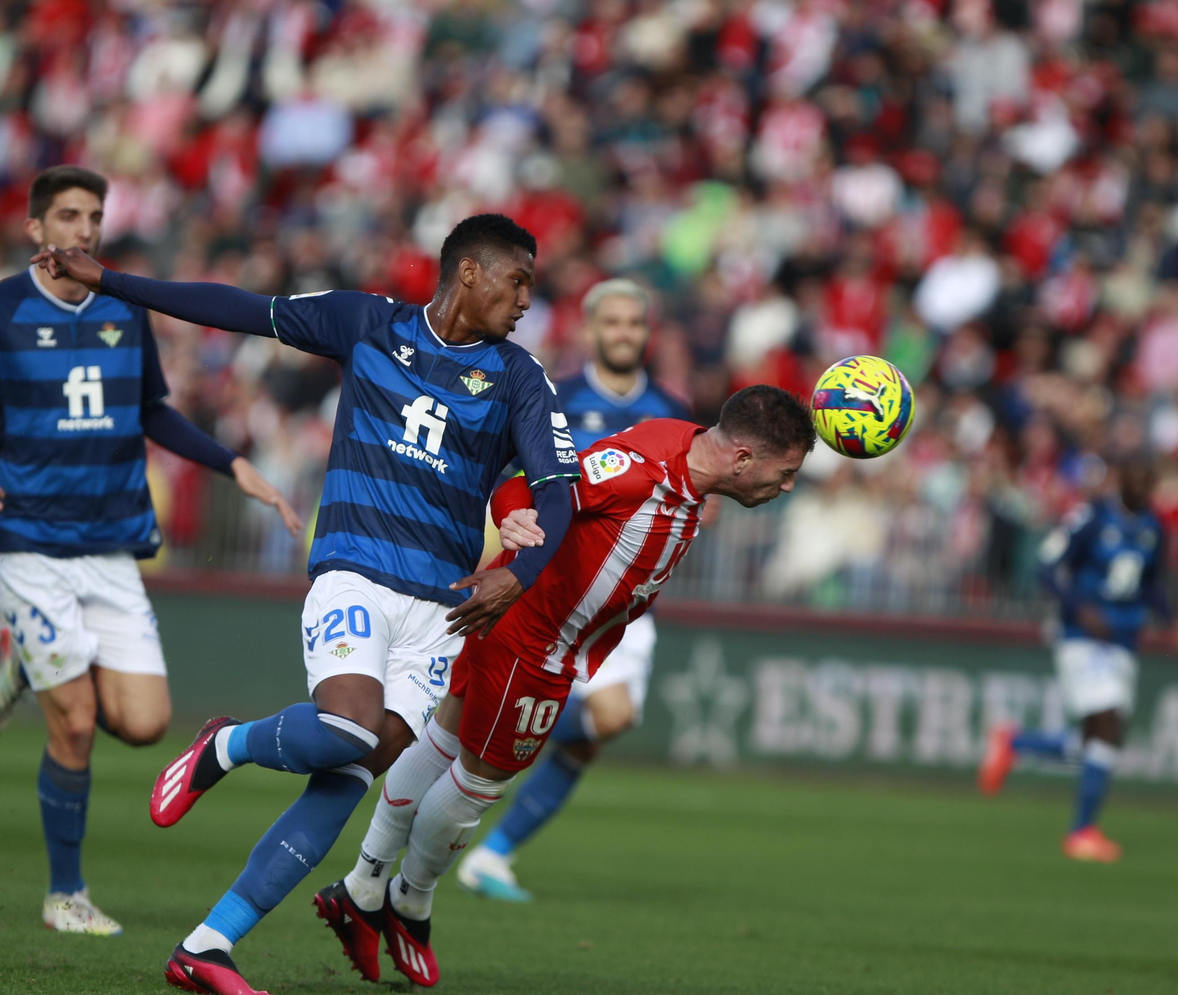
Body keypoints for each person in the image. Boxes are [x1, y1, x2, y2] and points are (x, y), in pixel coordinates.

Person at [35, 213, 580, 995]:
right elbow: (237, 308)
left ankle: (206, 948)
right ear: (469, 272)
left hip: (440, 613)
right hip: (355, 571)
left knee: (355, 768)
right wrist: (111, 279)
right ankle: (225, 746)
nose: (528, 299)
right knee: (348, 726)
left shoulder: (520, 377)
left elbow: (557, 499)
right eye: (517, 280)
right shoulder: (366, 323)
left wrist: (517, 572)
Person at [0, 166, 303, 935]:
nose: (84, 229)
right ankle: (66, 895)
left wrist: (233, 465)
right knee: (77, 723)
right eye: (70, 216)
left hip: (110, 543)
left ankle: (24, 657)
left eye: (94, 216)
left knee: (147, 721)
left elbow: (152, 410)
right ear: (36, 230)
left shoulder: (124, 306)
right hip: (26, 540)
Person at [319, 386, 815, 987]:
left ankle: (363, 886)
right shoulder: (641, 473)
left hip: (531, 632)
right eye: (785, 472)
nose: (786, 486)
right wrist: (512, 541)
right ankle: (408, 901)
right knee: (477, 784)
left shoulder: (676, 444)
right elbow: (534, 488)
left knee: (441, 744)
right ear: (742, 460)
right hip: (534, 645)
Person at [459, 277, 689, 902]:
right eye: (611, 323)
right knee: (600, 722)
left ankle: (493, 843)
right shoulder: (555, 397)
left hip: (619, 603)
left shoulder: (671, 413)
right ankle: (490, 844)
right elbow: (515, 481)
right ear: (590, 330)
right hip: (548, 589)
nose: (623, 334)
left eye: (634, 324)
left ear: (647, 333)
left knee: (607, 723)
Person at [978, 457, 1178, 862]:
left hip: (1125, 640)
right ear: (1120, 480)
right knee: (1106, 724)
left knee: (1099, 740)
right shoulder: (1091, 518)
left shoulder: (1153, 527)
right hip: (1082, 639)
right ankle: (1081, 832)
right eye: (1136, 479)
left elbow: (1153, 582)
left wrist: (1171, 620)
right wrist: (1079, 609)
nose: (1142, 490)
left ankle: (1016, 742)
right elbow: (1047, 567)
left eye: (1149, 483)